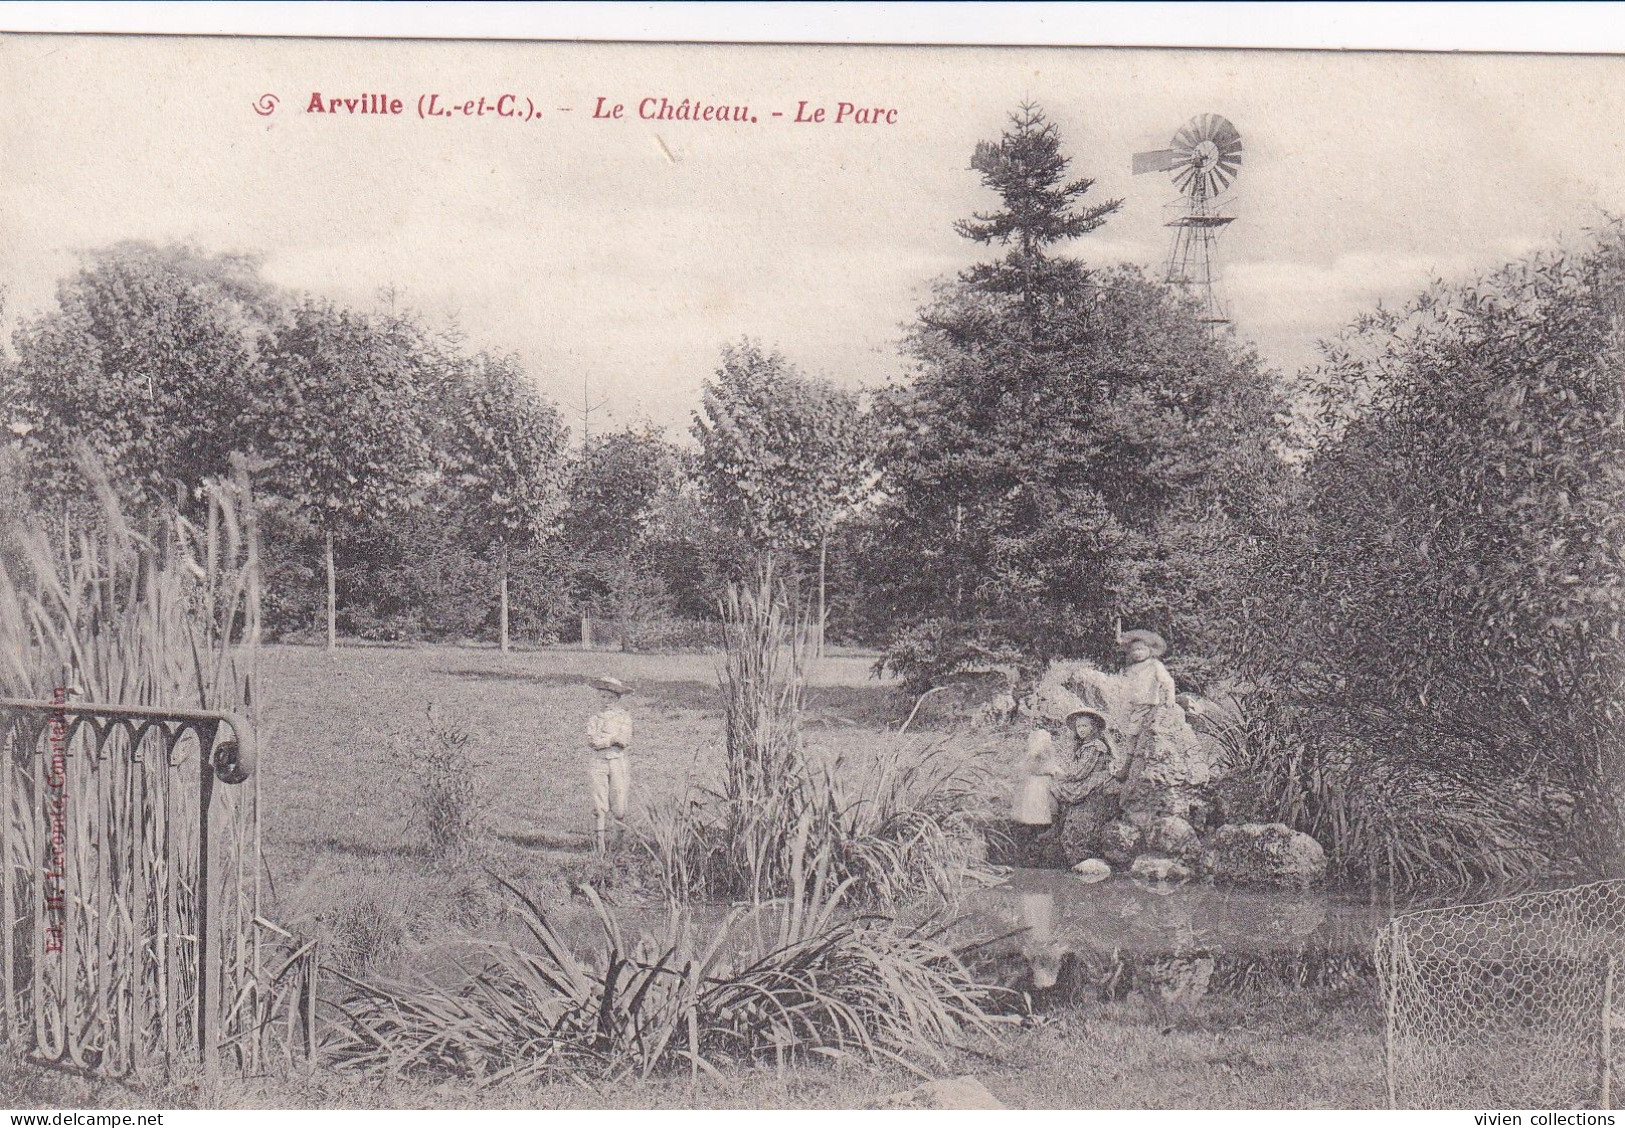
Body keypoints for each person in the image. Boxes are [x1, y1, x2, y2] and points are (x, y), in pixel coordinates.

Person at [586, 675, 634, 852]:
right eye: (603, 697)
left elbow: (623, 740)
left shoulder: (623, 717)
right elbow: (592, 741)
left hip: (617, 762)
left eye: (610, 697)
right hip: (598, 763)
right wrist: (611, 739)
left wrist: (607, 739)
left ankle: (620, 845)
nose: (606, 701)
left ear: (617, 698)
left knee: (620, 805)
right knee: (599, 806)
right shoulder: (595, 718)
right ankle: (600, 847)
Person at [1011, 726, 1061, 860]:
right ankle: (1032, 846)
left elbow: (1051, 767)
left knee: (1042, 813)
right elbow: (1028, 768)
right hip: (1035, 788)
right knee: (1034, 813)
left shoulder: (1046, 756)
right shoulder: (1032, 757)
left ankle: (1038, 844)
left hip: (1042, 787)